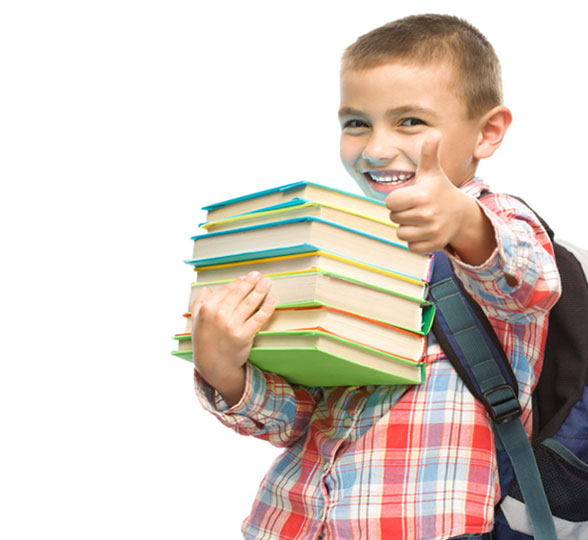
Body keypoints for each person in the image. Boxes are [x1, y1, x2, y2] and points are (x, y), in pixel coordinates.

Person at [189, 14, 561, 540]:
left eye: (410, 121)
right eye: (356, 123)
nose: (376, 148)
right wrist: (226, 372)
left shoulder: (497, 222)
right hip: (290, 521)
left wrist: (462, 221)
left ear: (488, 131)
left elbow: (531, 286)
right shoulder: (354, 243)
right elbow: (303, 418)